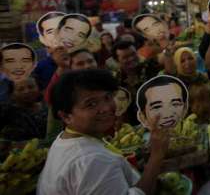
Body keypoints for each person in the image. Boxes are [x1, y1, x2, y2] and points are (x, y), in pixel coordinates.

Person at [37, 69, 170, 195]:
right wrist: (157, 156)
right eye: (91, 104)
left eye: (107, 97)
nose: (106, 108)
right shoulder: (93, 160)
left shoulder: (65, 139)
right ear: (66, 116)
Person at [112, 40, 161, 125]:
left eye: (133, 54)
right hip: (135, 127)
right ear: (117, 61)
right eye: (125, 57)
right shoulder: (115, 82)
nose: (131, 58)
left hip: (160, 117)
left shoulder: (149, 66)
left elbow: (167, 66)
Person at [172, 47, 210, 124]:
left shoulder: (204, 77)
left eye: (190, 58)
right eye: (182, 61)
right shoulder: (177, 85)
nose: (188, 63)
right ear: (177, 64)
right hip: (190, 127)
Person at [0, 76, 48, 140]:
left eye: (31, 87)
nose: (27, 91)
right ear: (12, 95)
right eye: (20, 89)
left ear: (39, 88)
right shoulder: (7, 111)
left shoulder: (47, 108)